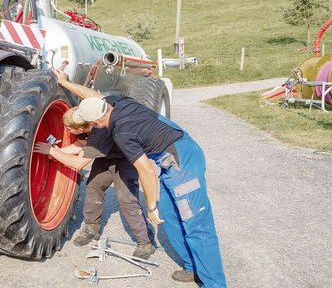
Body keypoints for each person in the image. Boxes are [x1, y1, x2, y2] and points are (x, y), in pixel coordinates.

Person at [64, 79, 227, 287]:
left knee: (196, 225)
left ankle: (214, 283)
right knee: (171, 216)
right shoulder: (115, 102)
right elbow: (91, 95)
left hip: (182, 160)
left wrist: (151, 207)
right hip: (169, 159)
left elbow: (146, 171)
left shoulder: (122, 132)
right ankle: (194, 268)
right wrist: (64, 82)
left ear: (95, 123)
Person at [34, 106, 155, 259]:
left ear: (79, 128)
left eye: (68, 127)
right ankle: (92, 228)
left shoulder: (99, 133)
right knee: (93, 186)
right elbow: (80, 145)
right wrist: (58, 152)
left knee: (126, 199)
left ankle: (145, 242)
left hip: (125, 159)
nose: (65, 129)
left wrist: (52, 151)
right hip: (105, 157)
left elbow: (78, 164)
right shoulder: (85, 127)